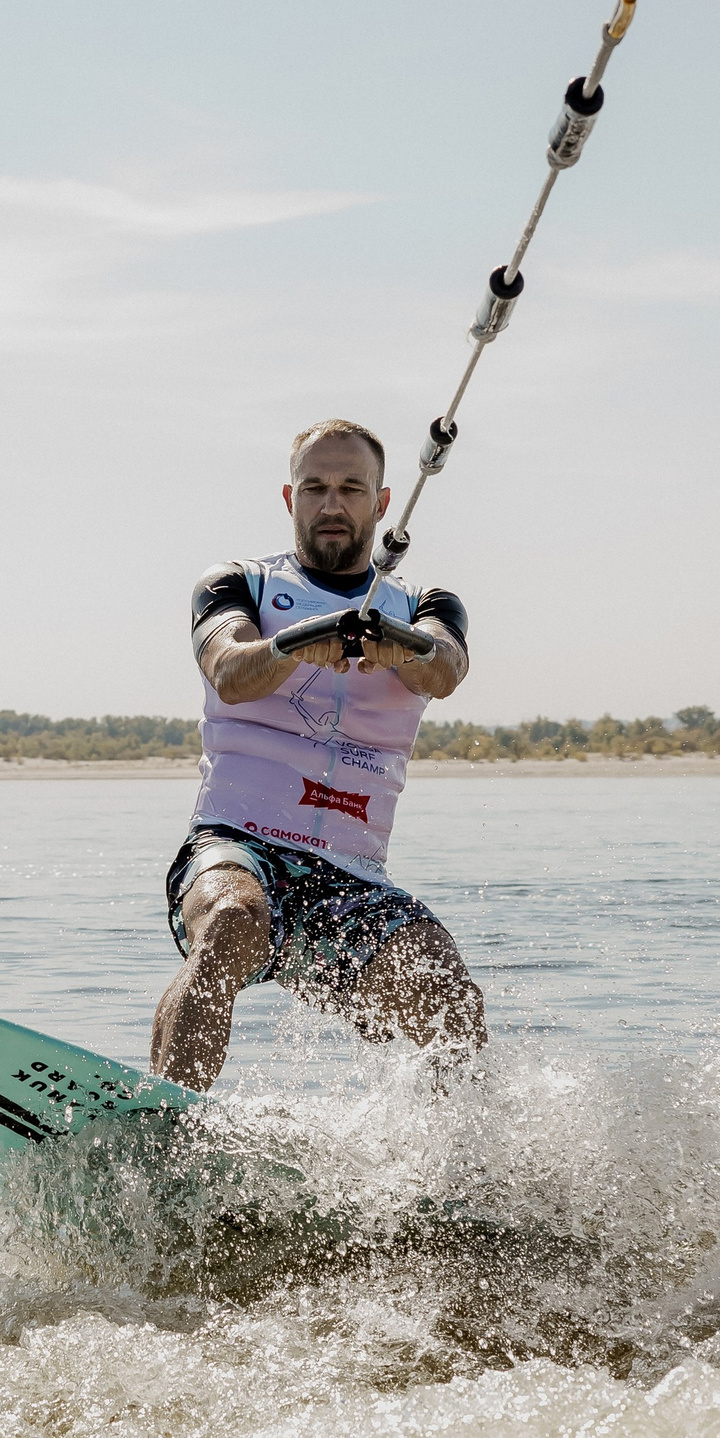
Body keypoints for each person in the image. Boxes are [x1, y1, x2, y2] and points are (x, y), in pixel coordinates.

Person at [150, 418, 486, 1090]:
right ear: (290, 497)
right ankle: (164, 1122)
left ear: (382, 503)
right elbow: (229, 670)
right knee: (231, 921)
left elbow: (445, 669)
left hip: (351, 878)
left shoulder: (425, 604)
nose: (332, 504)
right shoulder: (238, 583)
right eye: (315, 488)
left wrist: (399, 644)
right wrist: (299, 641)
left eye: (351, 489)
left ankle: (459, 1151)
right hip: (238, 845)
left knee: (448, 992)